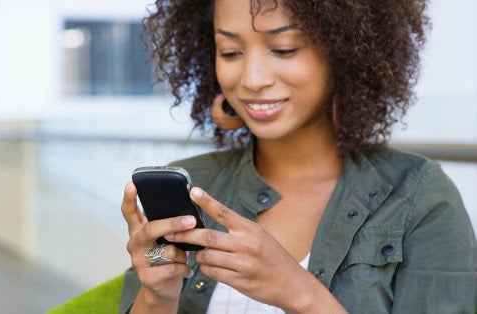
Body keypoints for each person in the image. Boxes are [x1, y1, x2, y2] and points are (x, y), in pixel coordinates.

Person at [120, 0, 477, 312]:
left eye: (284, 48)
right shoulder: (193, 184)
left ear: (345, 50)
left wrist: (299, 293)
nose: (252, 79)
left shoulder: (419, 198)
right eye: (229, 52)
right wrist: (157, 296)